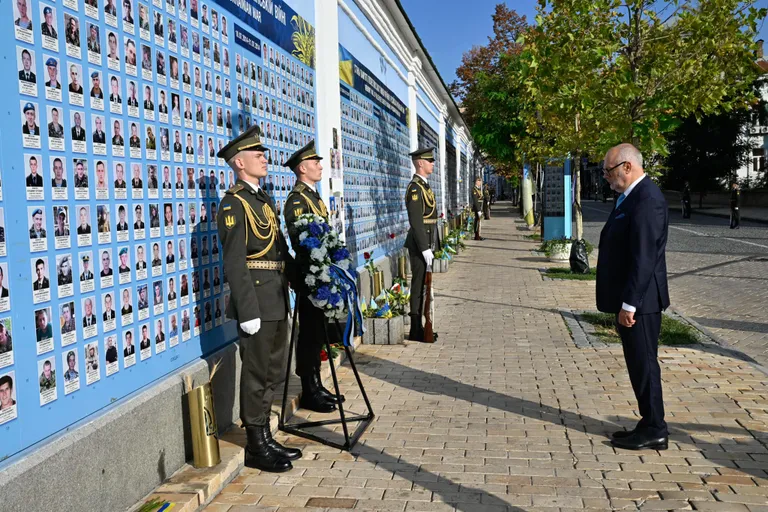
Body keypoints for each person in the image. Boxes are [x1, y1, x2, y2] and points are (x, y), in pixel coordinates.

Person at [217, 125, 301, 472]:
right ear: (239, 162)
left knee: (270, 372)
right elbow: (236, 260)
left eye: (263, 154)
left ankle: (265, 435)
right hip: (257, 301)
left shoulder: (262, 199)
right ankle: (255, 445)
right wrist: (247, 308)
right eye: (257, 154)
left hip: (277, 297)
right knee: (255, 374)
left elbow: (279, 250)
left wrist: (303, 280)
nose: (264, 158)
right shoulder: (233, 204)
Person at [596, 143, 670, 451]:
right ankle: (648, 419)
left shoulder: (647, 199)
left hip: (641, 302)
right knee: (638, 364)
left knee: (644, 364)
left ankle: (656, 428)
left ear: (628, 166)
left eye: (609, 171)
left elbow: (644, 257)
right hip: (633, 299)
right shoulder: (630, 197)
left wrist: (630, 304)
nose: (606, 178)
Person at [283, 140, 339, 413]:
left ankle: (316, 383)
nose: (320, 166)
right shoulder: (297, 200)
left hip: (322, 273)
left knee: (317, 332)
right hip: (310, 276)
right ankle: (308, 388)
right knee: (308, 333)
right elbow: (300, 239)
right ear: (302, 168)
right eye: (315, 163)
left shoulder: (314, 197)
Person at [404, 147, 439, 342]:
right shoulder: (415, 188)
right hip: (419, 243)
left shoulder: (424, 186)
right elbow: (416, 221)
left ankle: (424, 325)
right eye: (429, 161)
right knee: (418, 285)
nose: (432, 164)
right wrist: (424, 247)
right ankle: (416, 328)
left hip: (427, 239)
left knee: (425, 285)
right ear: (420, 163)